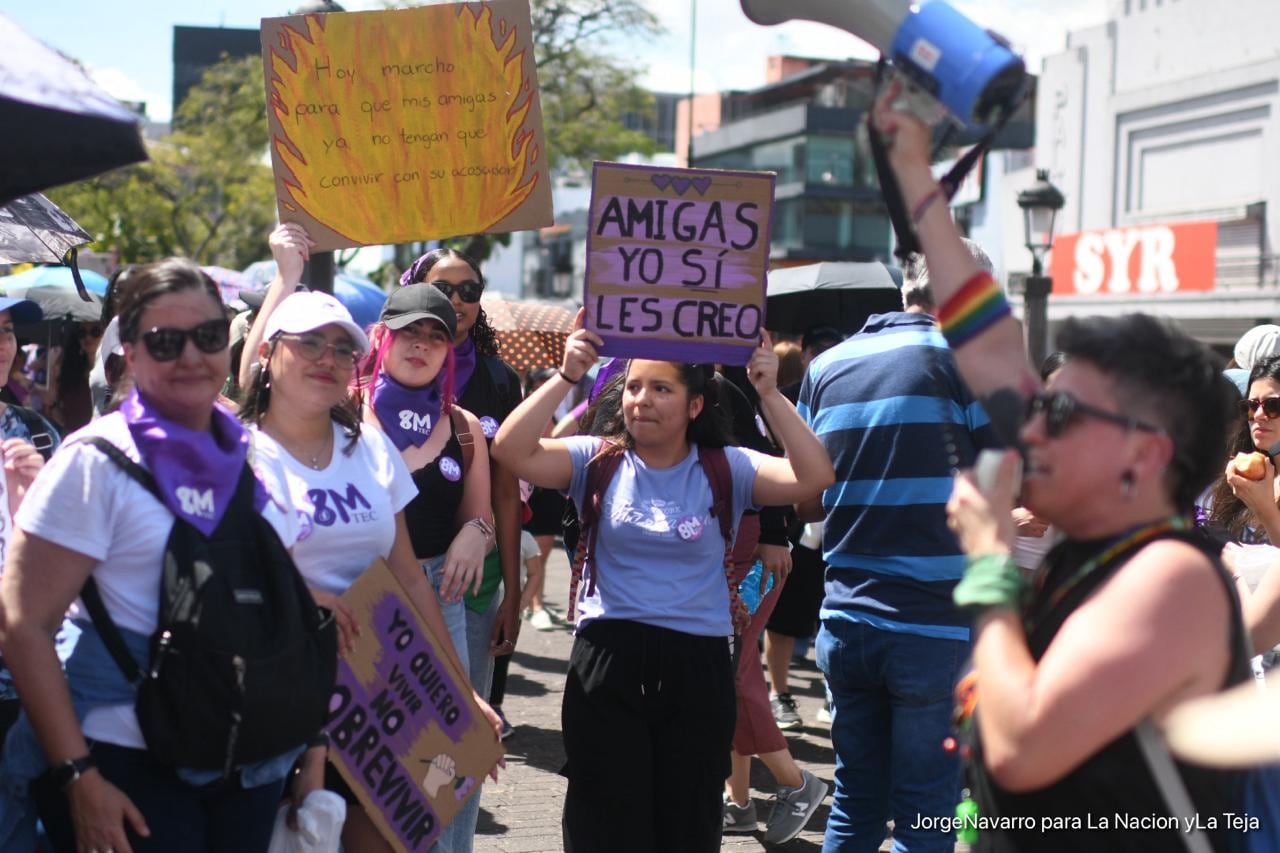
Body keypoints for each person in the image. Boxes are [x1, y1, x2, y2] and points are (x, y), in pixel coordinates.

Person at [874, 83, 1258, 850]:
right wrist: (915, 173)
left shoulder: (1170, 576)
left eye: (1060, 412)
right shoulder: (1099, 554)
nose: (1030, 426)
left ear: (1145, 454)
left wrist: (987, 568)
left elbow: (1021, 748)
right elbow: (984, 337)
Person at [491, 316, 834, 853]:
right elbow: (510, 451)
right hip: (607, 662)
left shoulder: (729, 467)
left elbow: (813, 477)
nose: (641, 400)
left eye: (660, 388)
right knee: (603, 819)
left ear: (695, 404)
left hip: (697, 667)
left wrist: (769, 394)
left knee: (687, 821)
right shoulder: (596, 459)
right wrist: (566, 376)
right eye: (632, 387)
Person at [0, 259, 308, 852]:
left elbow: (277, 609)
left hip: (250, 762)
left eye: (209, 336)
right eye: (166, 342)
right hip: (131, 760)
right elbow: (25, 625)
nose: (191, 356)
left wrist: (310, 744)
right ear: (131, 354)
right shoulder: (94, 461)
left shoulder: (259, 456)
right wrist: (77, 775)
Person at [238, 286, 503, 851]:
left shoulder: (369, 448)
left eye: (340, 347)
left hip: (376, 694)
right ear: (267, 354)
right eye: (309, 343)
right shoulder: (236, 452)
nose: (327, 358)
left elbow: (407, 575)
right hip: (274, 696)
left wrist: (461, 689)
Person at [796, 246, 999, 852]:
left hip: (844, 620)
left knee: (856, 801)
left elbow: (805, 497)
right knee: (926, 811)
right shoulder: (969, 363)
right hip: (934, 626)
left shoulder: (827, 367)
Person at [764, 325, 842, 730]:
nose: (827, 356)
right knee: (784, 615)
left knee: (828, 614)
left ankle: (834, 692)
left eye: (836, 349)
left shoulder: (852, 390)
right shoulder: (787, 400)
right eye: (821, 350)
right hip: (795, 523)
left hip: (839, 523)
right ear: (805, 353)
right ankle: (780, 693)